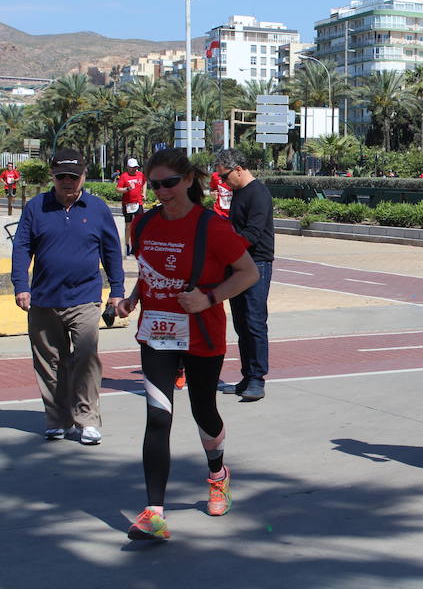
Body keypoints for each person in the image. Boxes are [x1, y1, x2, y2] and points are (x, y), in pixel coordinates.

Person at [116, 148, 259, 541]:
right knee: (158, 417)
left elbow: (247, 274)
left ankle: (217, 474)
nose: (162, 191)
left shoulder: (212, 226)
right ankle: (154, 513)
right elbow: (149, 270)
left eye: (169, 183)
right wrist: (134, 297)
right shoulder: (142, 225)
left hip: (203, 333)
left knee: (203, 411)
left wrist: (210, 298)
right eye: (155, 184)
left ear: (189, 181)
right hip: (157, 334)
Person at [11, 148, 124, 445]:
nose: (67, 182)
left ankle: (86, 419)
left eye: (73, 177)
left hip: (85, 298)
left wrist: (117, 291)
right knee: (50, 362)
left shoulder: (97, 208)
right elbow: (22, 247)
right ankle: (57, 419)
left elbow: (111, 251)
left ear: (84, 176)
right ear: (53, 176)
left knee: (86, 359)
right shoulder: (36, 207)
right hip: (44, 300)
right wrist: (21, 284)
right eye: (61, 176)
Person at [213, 149, 274, 402]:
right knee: (240, 323)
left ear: (239, 168)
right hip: (237, 264)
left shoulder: (258, 193)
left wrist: (227, 247)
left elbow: (253, 234)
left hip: (256, 263)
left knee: (254, 321)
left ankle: (257, 380)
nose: (223, 182)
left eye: (225, 177)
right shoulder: (238, 192)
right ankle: (247, 376)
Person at [116, 158, 146, 257]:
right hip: (127, 204)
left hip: (138, 203)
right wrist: (127, 189)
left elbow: (144, 182)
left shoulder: (140, 175)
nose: (134, 169)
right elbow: (118, 189)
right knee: (128, 225)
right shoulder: (124, 176)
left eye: (136, 167)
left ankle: (137, 245)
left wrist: (144, 193)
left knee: (139, 224)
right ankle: (127, 245)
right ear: (128, 167)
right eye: (132, 167)